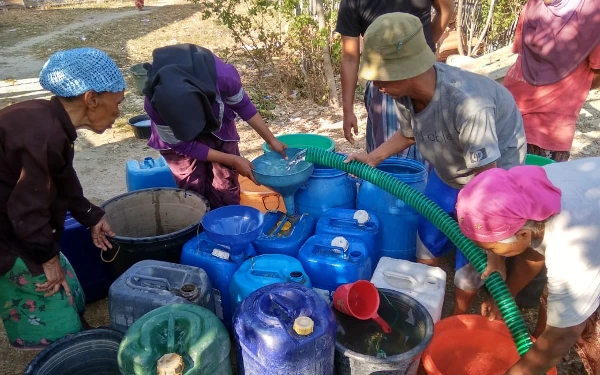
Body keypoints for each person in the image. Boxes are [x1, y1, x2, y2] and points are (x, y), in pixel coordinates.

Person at [345, 12, 526, 314]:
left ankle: (458, 317)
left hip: (492, 178)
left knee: (472, 258)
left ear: (409, 70)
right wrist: (372, 157)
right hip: (450, 168)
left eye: (380, 76)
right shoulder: (404, 94)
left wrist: (494, 252)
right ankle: (424, 303)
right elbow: (409, 133)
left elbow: (489, 184)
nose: (376, 85)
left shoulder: (468, 104)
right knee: (428, 235)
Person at [0, 48, 120, 349]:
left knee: (66, 279)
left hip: (22, 226)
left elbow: (63, 177)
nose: (118, 113)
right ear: (91, 99)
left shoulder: (52, 123)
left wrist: (91, 216)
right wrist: (46, 257)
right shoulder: (40, 134)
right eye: (116, 104)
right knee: (47, 287)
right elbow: (25, 209)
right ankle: (63, 350)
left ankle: (74, 331)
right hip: (8, 234)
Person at [455, 158, 600, 375]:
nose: (490, 255)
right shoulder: (528, 193)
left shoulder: (570, 248)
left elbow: (564, 334)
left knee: (591, 334)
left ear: (522, 233)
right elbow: (532, 249)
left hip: (589, 236)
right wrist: (506, 296)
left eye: (492, 249)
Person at [143, 44, 287, 210]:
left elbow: (244, 106)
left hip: (219, 126)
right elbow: (184, 146)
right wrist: (234, 159)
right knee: (191, 186)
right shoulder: (155, 106)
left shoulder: (224, 79)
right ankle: (200, 225)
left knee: (225, 180)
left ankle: (227, 218)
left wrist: (271, 140)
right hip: (178, 142)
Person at [335, 0, 453, 163]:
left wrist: (420, 53)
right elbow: (349, 56)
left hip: (425, 77)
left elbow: (446, 9)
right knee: (390, 162)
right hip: (385, 82)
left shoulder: (458, 97)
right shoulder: (352, 2)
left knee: (432, 153)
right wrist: (348, 110)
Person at [503, 0, 600, 162]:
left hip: (548, 121)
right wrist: (572, 87)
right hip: (514, 110)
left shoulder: (593, 14)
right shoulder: (533, 4)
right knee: (520, 181)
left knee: (532, 180)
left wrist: (574, 87)